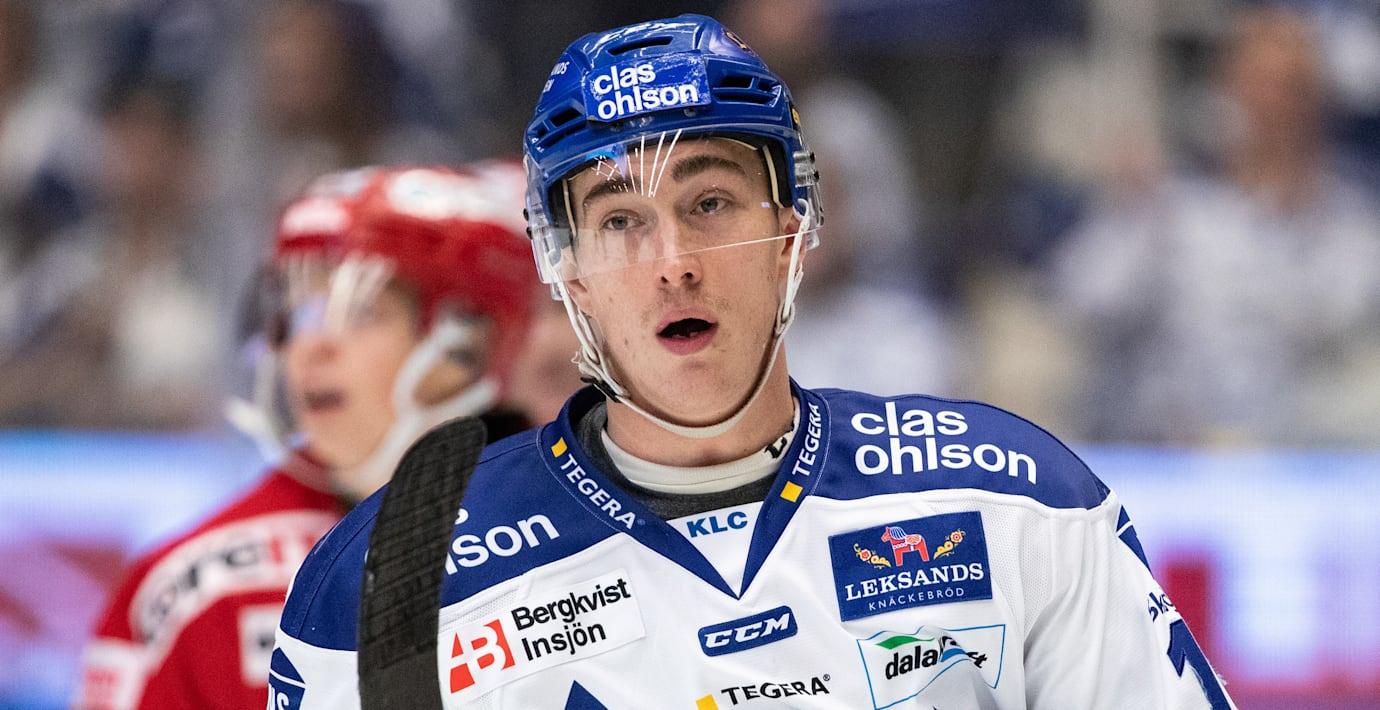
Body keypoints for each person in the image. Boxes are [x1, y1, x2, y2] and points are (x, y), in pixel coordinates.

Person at [271, 14, 1237, 708]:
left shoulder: (1014, 502)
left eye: (710, 204)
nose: (673, 263)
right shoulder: (391, 583)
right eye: (620, 222)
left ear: (792, 227)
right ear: (564, 268)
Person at [71, 161, 539, 709]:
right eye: (301, 313)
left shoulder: (576, 533)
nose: (313, 345)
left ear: (471, 346)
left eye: (362, 313)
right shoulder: (195, 592)